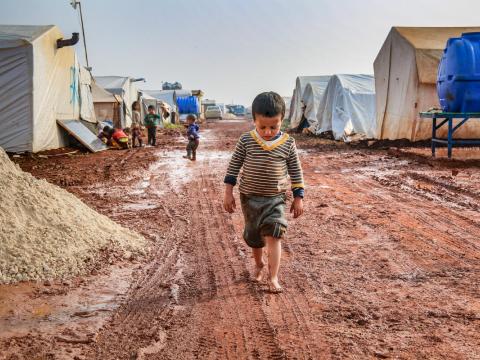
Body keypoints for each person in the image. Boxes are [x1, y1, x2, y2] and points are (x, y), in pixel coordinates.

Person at [223, 91, 305, 293]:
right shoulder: (246, 141)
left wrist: (298, 197)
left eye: (274, 126)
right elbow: (233, 167)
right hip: (249, 198)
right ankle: (258, 263)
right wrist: (228, 192)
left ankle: (274, 277)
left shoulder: (287, 143)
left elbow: (295, 170)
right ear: (254, 121)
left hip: (275, 199)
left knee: (274, 234)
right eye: (262, 127)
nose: (268, 132)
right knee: (255, 237)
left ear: (281, 121)